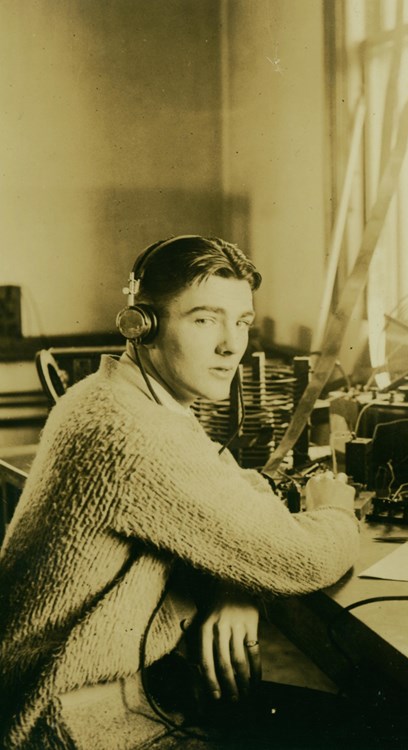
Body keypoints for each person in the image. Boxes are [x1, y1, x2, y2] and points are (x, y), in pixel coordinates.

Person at [0, 235, 363, 749]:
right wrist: (336, 512)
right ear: (140, 325)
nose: (231, 345)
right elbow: (302, 560)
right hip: (64, 722)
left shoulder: (121, 396)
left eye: (241, 322)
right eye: (203, 319)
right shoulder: (129, 431)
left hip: (99, 694)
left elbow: (233, 488)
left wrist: (237, 584)